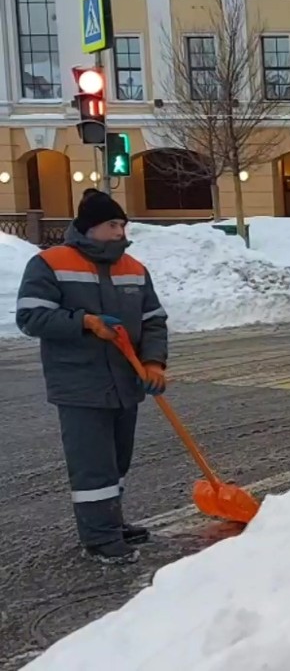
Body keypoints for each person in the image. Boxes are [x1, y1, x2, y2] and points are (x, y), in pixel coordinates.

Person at [15, 191, 168, 565]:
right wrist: (85, 323)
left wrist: (154, 364)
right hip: (79, 383)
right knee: (92, 463)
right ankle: (99, 538)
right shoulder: (49, 263)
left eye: (122, 225)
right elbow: (31, 317)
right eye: (112, 224)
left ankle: (110, 523)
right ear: (90, 227)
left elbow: (153, 320)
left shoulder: (133, 268)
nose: (120, 232)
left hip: (125, 381)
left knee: (117, 460)